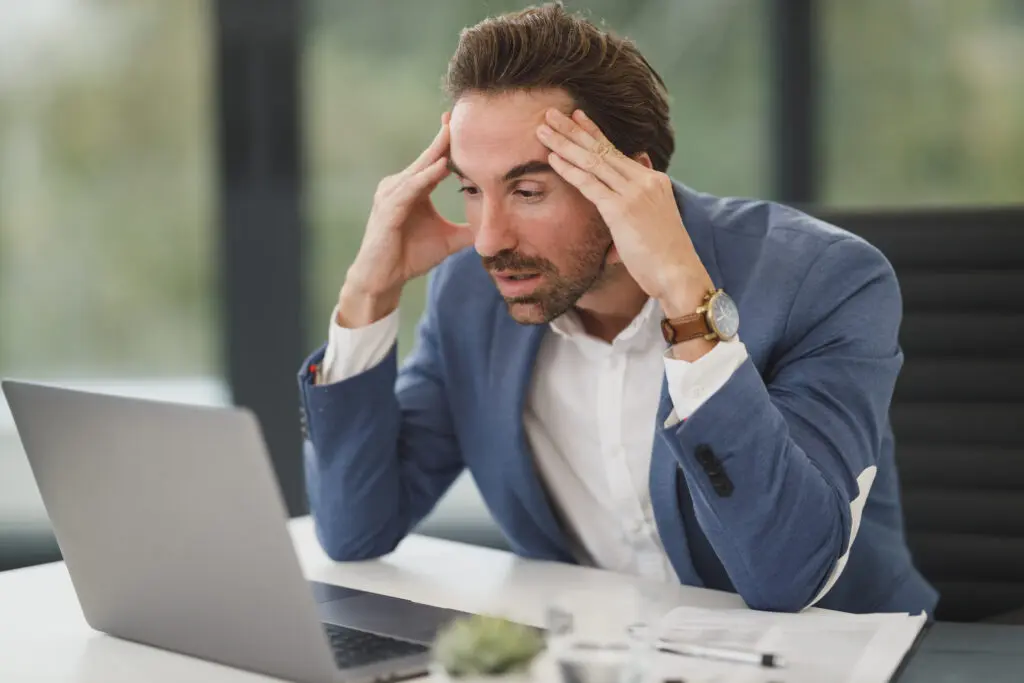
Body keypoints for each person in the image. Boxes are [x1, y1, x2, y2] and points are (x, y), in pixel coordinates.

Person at [297, 2, 937, 616]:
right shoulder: (472, 295)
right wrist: (367, 293)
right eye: (470, 188)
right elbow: (356, 530)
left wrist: (690, 307)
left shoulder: (824, 281)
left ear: (628, 179)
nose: (489, 239)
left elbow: (787, 576)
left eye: (526, 190)